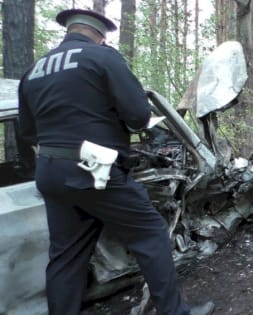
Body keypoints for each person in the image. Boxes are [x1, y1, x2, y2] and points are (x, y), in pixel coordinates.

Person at [18, 8, 214, 315]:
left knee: (66, 255)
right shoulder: (102, 58)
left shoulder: (34, 70)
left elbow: (28, 132)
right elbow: (138, 116)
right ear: (99, 35)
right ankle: (175, 312)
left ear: (69, 31)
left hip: (51, 173)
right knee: (150, 233)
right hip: (92, 171)